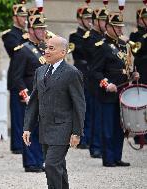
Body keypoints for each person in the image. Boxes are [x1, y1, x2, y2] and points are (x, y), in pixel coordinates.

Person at [23, 36, 85, 189]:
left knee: (50, 165)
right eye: (46, 47)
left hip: (63, 127)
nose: (46, 51)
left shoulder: (72, 73)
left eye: (52, 48)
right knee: (58, 167)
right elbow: (34, 102)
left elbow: (79, 104)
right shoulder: (40, 71)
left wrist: (77, 132)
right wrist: (27, 127)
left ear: (63, 52)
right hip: (45, 128)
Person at [90, 12, 139, 167]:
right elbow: (95, 71)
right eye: (116, 26)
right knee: (108, 128)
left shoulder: (124, 46)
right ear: (108, 26)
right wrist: (106, 84)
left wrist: (133, 74)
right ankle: (108, 158)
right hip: (108, 93)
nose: (119, 29)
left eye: (120, 26)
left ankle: (117, 156)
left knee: (120, 127)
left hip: (123, 92)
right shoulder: (102, 46)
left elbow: (125, 67)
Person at [11, 10, 47, 172]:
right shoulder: (22, 50)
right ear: (31, 30)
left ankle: (40, 161)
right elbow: (16, 77)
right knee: (30, 130)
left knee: (41, 130)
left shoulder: (43, 49)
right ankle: (31, 163)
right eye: (39, 29)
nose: (42, 32)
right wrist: (25, 94)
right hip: (30, 97)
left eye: (43, 29)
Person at [2, 0, 28, 154]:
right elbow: (16, 51)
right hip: (17, 76)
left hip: (29, 76)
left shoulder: (27, 34)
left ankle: (27, 141)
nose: (24, 19)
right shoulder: (10, 35)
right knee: (18, 114)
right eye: (21, 16)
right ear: (15, 17)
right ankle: (17, 145)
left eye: (25, 16)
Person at [83, 7, 109, 158]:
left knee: (105, 116)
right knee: (95, 115)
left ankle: (104, 145)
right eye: (103, 21)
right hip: (94, 81)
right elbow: (94, 57)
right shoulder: (90, 38)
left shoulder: (105, 39)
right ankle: (96, 146)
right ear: (95, 22)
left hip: (107, 79)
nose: (106, 23)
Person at [69, 6, 93, 149]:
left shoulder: (95, 36)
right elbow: (85, 51)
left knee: (92, 106)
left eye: (91, 18)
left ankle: (91, 137)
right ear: (79, 19)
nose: (89, 21)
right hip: (81, 73)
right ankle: (81, 138)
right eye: (86, 18)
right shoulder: (75, 36)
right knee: (81, 107)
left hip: (93, 74)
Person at [129, 6, 147, 144]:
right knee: (141, 104)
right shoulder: (135, 34)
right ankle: (139, 135)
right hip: (142, 71)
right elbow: (137, 50)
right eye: (144, 18)